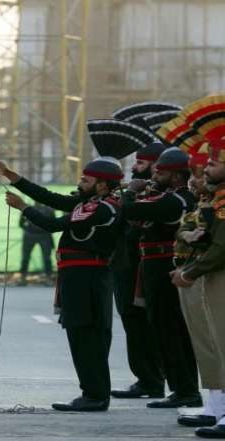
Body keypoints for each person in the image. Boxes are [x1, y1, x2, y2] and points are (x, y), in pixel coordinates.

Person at [0, 155, 122, 412]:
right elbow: (49, 197)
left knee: (86, 335)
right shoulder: (91, 202)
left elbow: (52, 225)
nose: (80, 183)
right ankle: (93, 392)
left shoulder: (102, 208)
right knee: (82, 334)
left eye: (86, 180)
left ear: (102, 185)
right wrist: (9, 174)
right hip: (79, 276)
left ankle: (95, 395)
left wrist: (23, 207)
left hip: (87, 277)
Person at [121, 147, 201, 409]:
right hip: (157, 264)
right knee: (170, 329)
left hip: (162, 265)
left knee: (168, 329)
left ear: (176, 177)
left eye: (160, 172)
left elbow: (128, 210)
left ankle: (185, 390)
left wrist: (132, 191)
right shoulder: (173, 197)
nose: (154, 175)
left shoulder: (174, 200)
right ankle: (183, 388)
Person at [171, 140, 225, 438]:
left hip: (208, 272)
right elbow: (186, 229)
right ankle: (216, 405)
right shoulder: (209, 201)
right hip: (203, 272)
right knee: (209, 343)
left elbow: (220, 246)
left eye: (208, 167)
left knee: (219, 343)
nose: (198, 177)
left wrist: (190, 271)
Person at [109, 142, 166, 400]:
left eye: (141, 163)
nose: (134, 168)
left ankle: (153, 379)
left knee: (143, 324)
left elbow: (126, 217)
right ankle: (147, 379)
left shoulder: (158, 195)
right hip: (126, 265)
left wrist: (130, 194)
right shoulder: (139, 192)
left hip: (140, 268)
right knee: (134, 325)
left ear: (156, 166)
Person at [18, 202, 55, 285]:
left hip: (43, 235)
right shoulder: (28, 209)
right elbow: (21, 223)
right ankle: (23, 278)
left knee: (46, 258)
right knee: (25, 257)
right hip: (30, 235)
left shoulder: (48, 210)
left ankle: (48, 278)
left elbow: (53, 223)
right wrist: (28, 230)